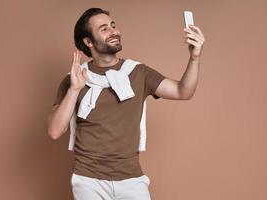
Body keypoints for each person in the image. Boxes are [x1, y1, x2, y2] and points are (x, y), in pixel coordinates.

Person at [47, 7, 205, 200]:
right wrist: (74, 90)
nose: (114, 31)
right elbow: (55, 131)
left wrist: (195, 57)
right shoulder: (74, 79)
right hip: (88, 179)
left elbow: (183, 91)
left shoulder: (139, 72)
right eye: (104, 28)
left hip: (131, 178)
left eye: (113, 25)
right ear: (88, 41)